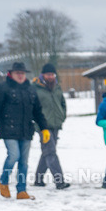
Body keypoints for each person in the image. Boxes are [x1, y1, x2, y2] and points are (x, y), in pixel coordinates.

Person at [0, 61, 50, 200]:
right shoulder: (2, 88)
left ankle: (21, 190)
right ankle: (3, 181)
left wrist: (44, 128)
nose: (21, 76)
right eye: (18, 73)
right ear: (11, 74)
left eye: (22, 73)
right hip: (9, 129)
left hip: (26, 130)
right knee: (13, 156)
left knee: (24, 162)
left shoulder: (30, 89)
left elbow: (38, 111)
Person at [32, 62, 70, 190]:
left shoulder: (57, 87)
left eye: (52, 74)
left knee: (47, 152)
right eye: (48, 74)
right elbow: (33, 108)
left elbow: (63, 103)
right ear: (43, 75)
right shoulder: (35, 88)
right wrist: (37, 124)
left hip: (55, 124)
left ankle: (38, 179)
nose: (50, 77)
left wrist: (62, 116)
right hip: (43, 126)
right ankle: (60, 181)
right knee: (51, 152)